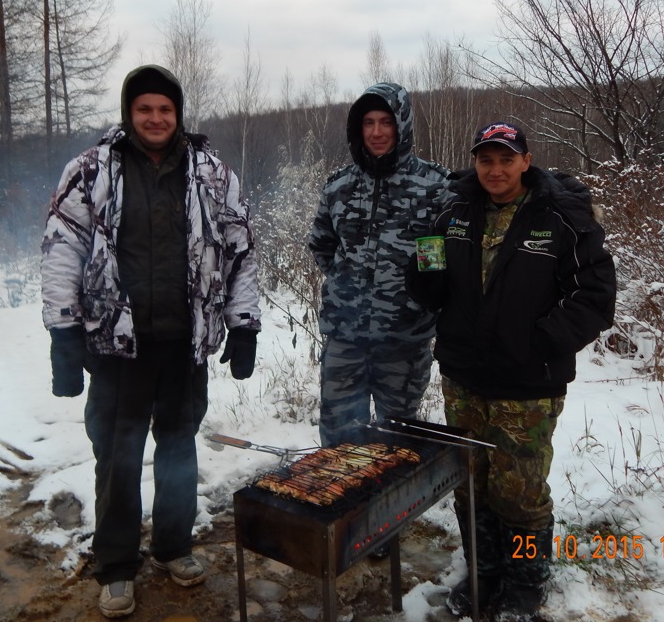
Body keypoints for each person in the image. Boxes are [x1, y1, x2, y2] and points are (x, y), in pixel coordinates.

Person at [41, 64, 261, 619]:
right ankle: (115, 566)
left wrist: (244, 323)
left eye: (165, 109)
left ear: (178, 113)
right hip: (117, 348)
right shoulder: (92, 170)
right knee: (116, 458)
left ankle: (173, 547)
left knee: (179, 450)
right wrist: (63, 333)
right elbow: (62, 250)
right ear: (128, 113)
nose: (156, 118)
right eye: (145, 109)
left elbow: (240, 251)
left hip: (185, 346)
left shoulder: (212, 174)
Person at [407, 122, 616, 620]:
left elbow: (595, 297)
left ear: (526, 160)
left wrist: (541, 341)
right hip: (463, 375)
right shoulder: (453, 210)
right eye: (486, 160)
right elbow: (430, 286)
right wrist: (422, 267)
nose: (494, 170)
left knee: (519, 490)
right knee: (471, 482)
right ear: (475, 163)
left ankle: (524, 585)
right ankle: (483, 572)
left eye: (505, 159)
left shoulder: (560, 217)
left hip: (527, 383)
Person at [308, 82, 450, 451]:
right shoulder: (339, 186)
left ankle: (393, 510)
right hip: (345, 338)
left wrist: (415, 302)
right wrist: (348, 283)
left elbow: (440, 260)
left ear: (401, 124)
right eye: (368, 123)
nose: (376, 132)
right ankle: (343, 509)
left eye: (385, 122)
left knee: (397, 442)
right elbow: (322, 245)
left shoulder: (436, 186)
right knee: (338, 442)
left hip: (404, 341)